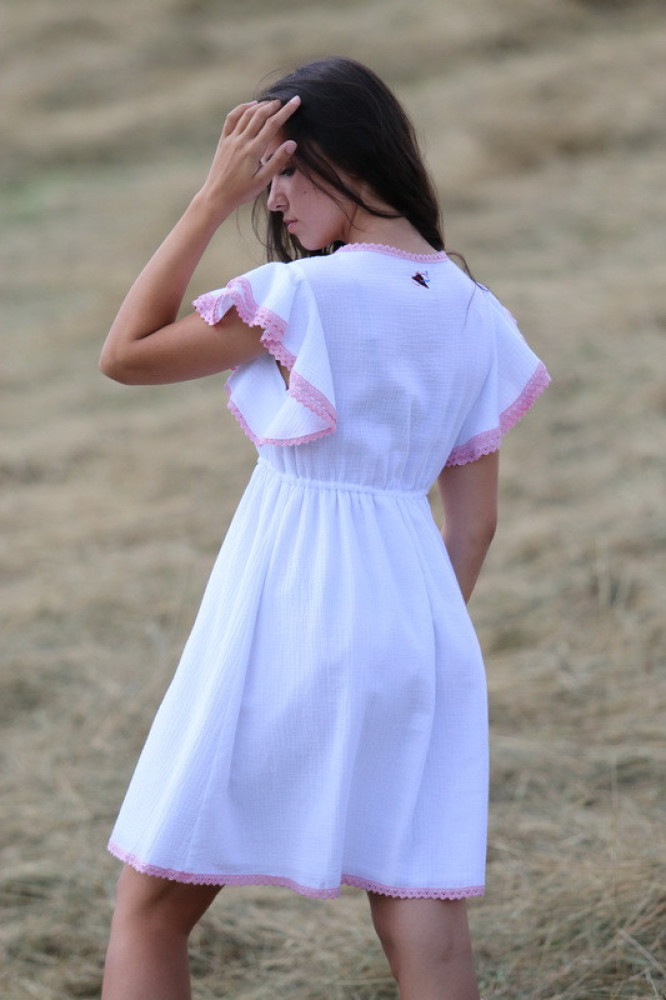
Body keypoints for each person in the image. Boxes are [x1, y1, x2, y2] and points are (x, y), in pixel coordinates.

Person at [99, 56, 550, 1000]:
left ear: (347, 159)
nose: (273, 200)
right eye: (259, 181)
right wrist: (409, 636)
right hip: (421, 633)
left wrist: (209, 199)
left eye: (284, 173)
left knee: (150, 906)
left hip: (290, 613)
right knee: (425, 917)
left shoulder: (303, 297)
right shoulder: (478, 314)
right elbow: (475, 526)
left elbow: (126, 354)